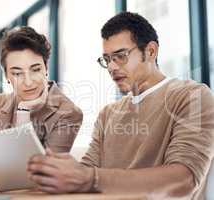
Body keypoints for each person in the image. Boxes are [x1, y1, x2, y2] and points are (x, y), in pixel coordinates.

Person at [27, 12, 214, 199]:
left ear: (150, 51)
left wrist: (90, 179)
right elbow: (86, 171)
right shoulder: (108, 114)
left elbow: (184, 180)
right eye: (107, 59)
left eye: (120, 56)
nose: (111, 67)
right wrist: (57, 173)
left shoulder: (191, 97)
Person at [0, 27, 83, 188]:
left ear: (46, 68)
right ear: (7, 76)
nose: (28, 82)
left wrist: (23, 112)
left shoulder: (68, 113)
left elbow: (39, 176)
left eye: (35, 69)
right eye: (17, 73)